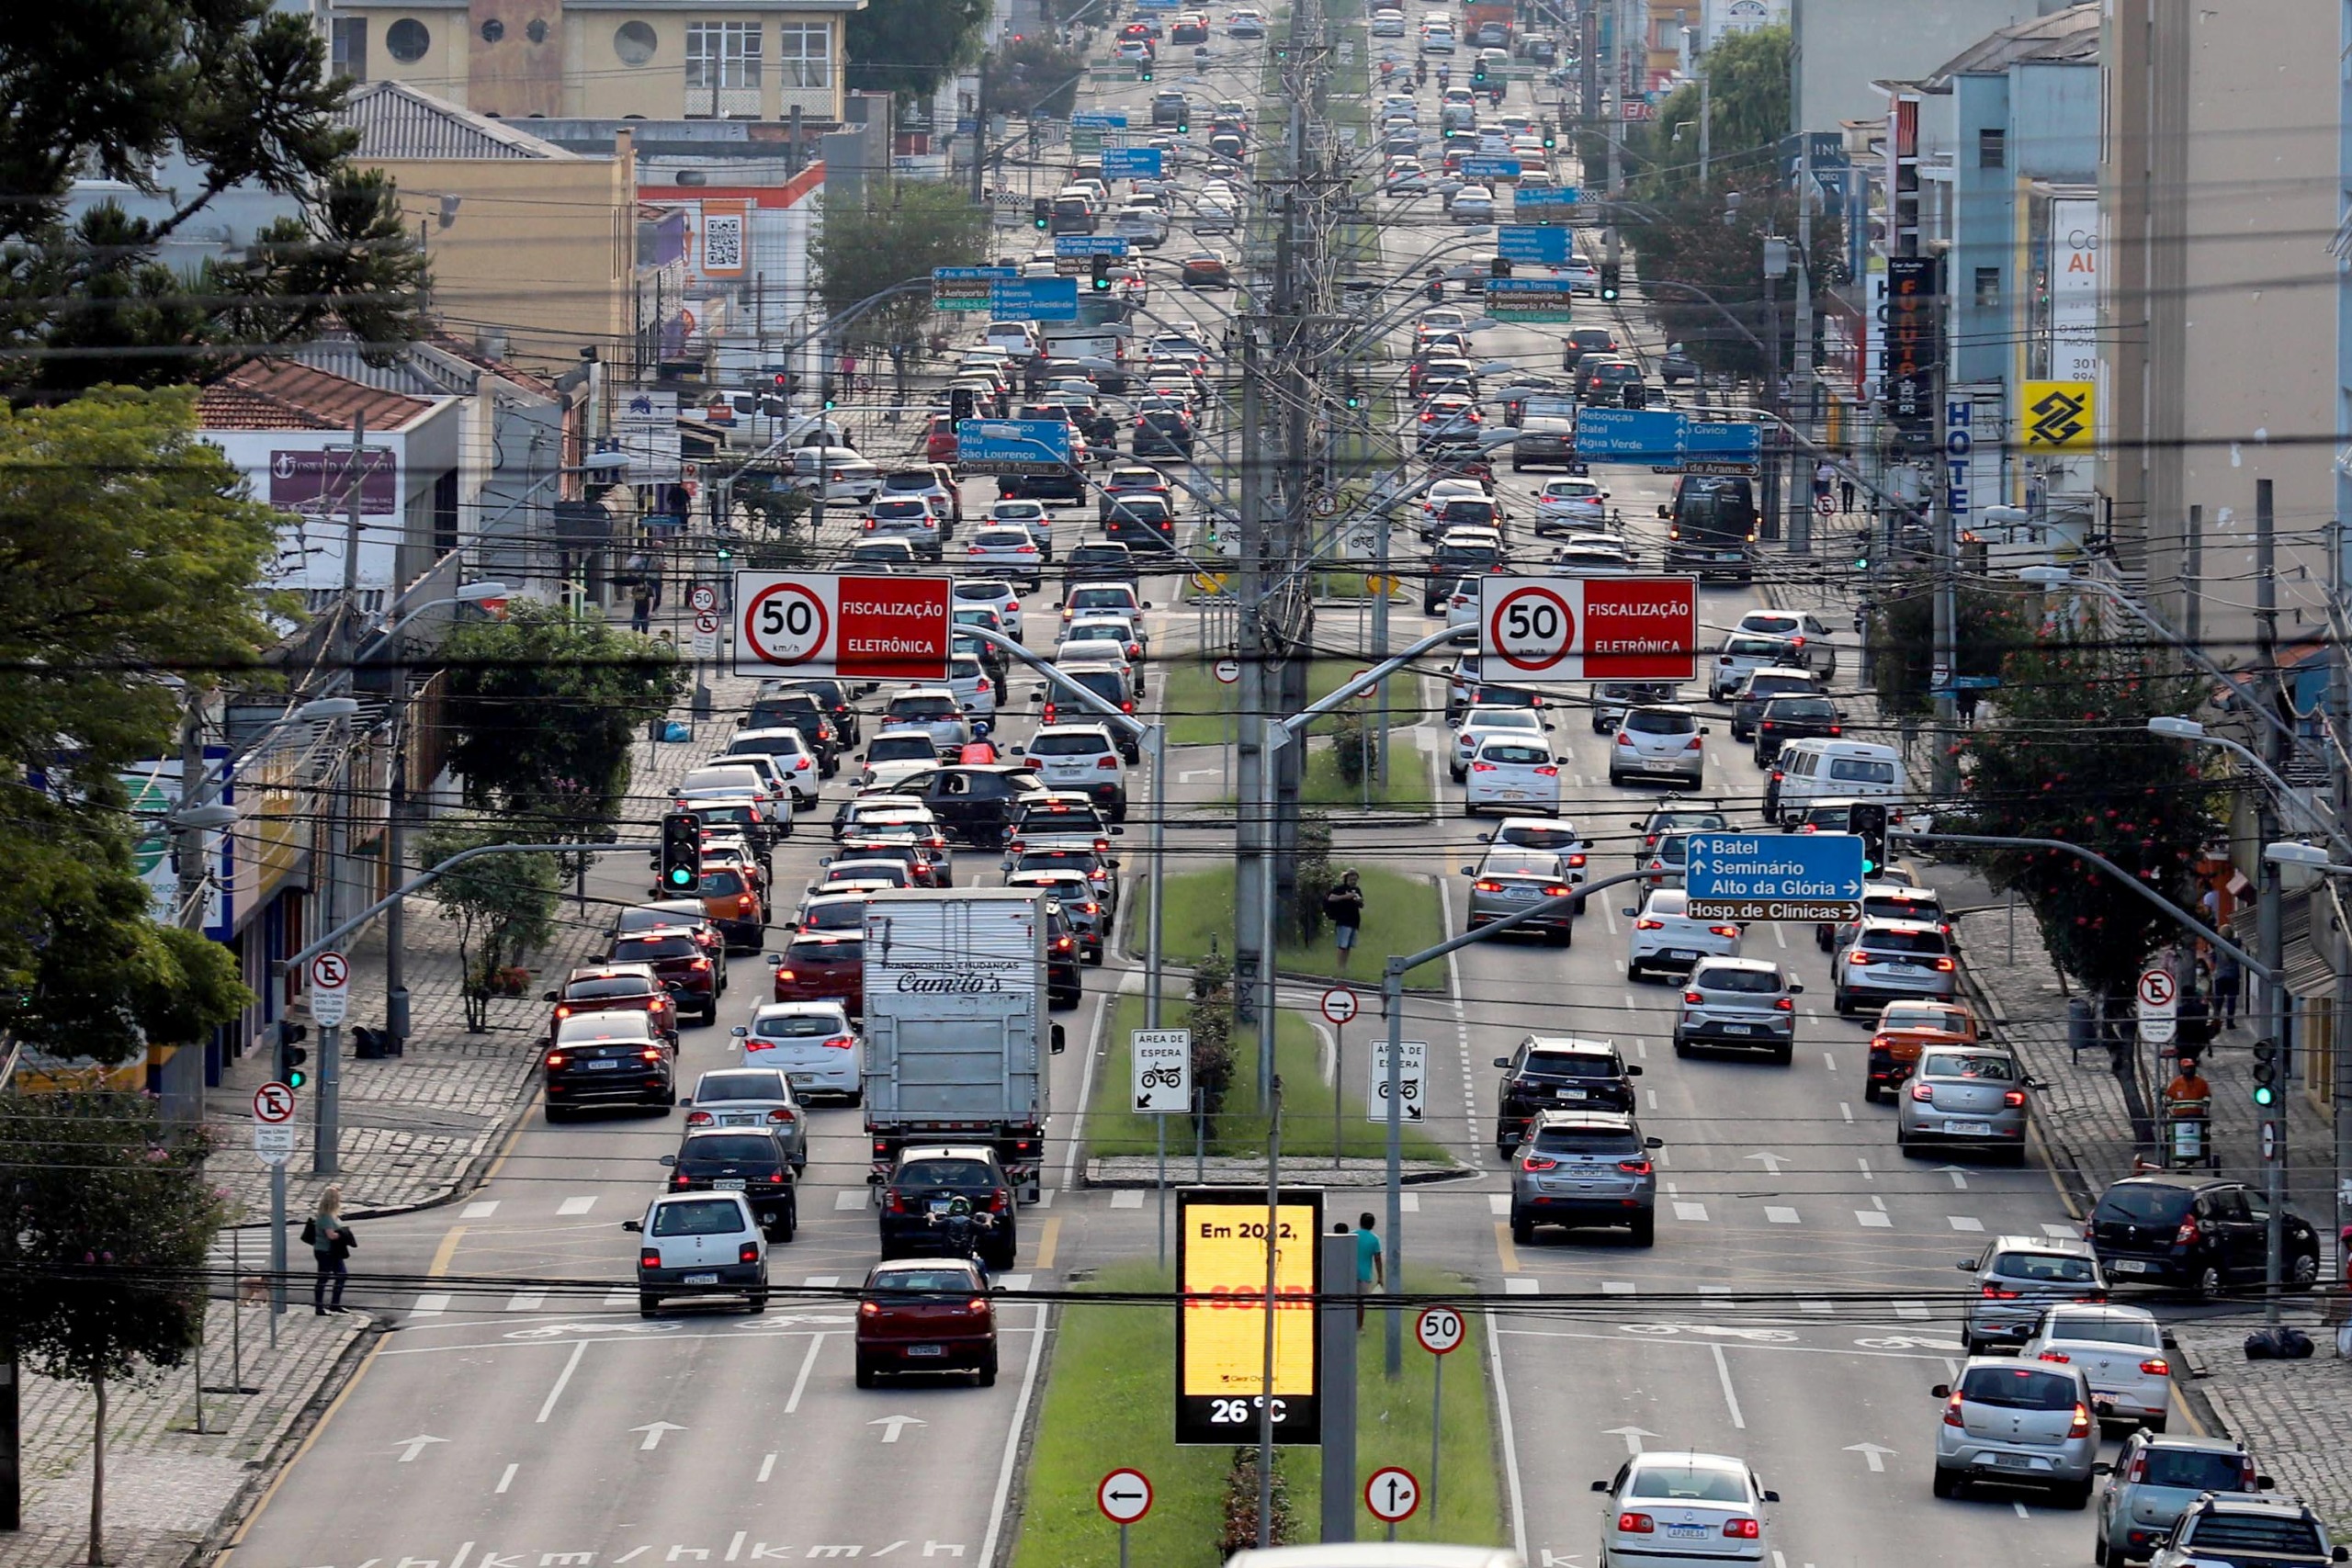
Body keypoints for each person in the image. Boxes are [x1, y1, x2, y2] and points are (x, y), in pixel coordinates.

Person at [307, 1186, 355, 1314]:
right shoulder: (326, 1216)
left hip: (333, 1251)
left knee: (342, 1275)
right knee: (323, 1278)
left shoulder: (332, 1215)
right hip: (325, 1251)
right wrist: (343, 1234)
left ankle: (335, 1304)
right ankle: (319, 1307)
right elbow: (331, 1235)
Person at [1323, 869, 1365, 972]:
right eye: (1351, 879)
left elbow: (1361, 905)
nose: (1353, 882)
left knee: (1348, 946)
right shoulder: (1340, 889)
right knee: (1342, 945)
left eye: (1355, 879)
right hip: (1343, 920)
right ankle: (1339, 967)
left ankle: (1344, 966)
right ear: (1346, 879)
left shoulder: (1357, 890)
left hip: (1354, 921)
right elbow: (1331, 898)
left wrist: (1359, 901)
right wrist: (1346, 897)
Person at [1353, 1213, 1384, 1327]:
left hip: (1350, 1273)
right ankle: (1359, 1326)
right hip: (1365, 1275)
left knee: (1346, 1300)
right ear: (1372, 1225)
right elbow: (1377, 1259)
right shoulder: (1374, 1240)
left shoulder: (1352, 1235)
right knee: (1360, 1303)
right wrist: (1380, 1276)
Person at [2211, 948, 2242, 1028]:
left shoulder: (2218, 946)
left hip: (2220, 976)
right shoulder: (2236, 945)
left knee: (2218, 1001)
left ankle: (2216, 1021)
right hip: (2233, 976)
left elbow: (2213, 960)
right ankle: (2230, 1023)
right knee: (2231, 1000)